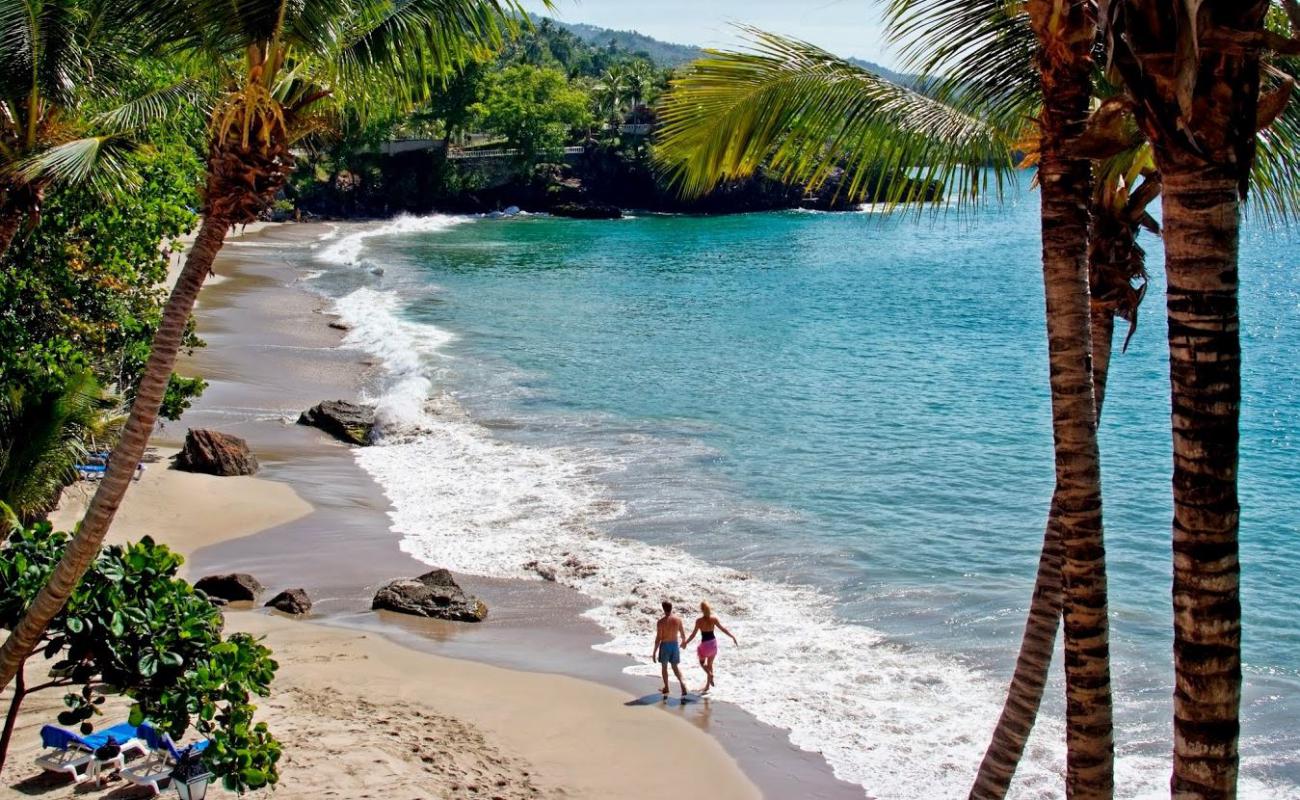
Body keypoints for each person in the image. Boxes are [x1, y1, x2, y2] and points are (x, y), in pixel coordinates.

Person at [683, 601, 737, 694]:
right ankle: (707, 686)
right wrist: (732, 636)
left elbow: (693, 634)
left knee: (702, 663)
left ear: (702, 610)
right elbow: (723, 629)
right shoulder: (714, 619)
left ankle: (709, 675)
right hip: (713, 644)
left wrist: (686, 642)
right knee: (710, 665)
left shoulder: (699, 621)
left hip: (704, 645)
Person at [651, 600, 688, 696]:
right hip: (674, 645)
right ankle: (682, 684)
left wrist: (654, 652)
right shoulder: (678, 619)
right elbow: (683, 634)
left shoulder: (661, 622)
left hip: (665, 645)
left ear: (663, 609)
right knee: (675, 666)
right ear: (671, 608)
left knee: (664, 667)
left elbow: (658, 638)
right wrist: (684, 642)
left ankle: (666, 687)